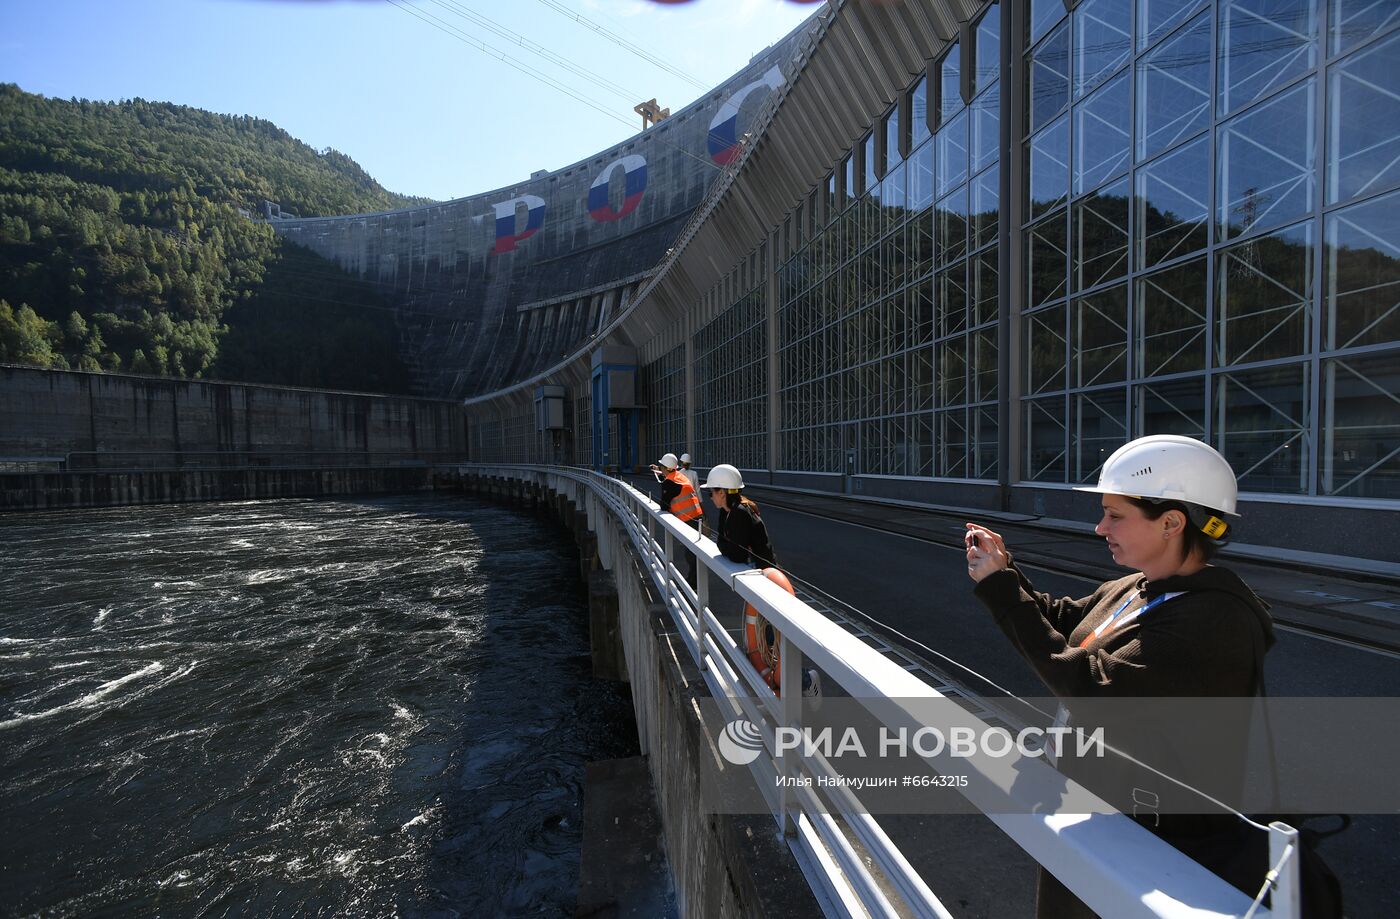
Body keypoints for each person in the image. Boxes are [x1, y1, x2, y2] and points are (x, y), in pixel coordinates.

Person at [965, 435, 1276, 918]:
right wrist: (1006, 571)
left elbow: (1092, 686)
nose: (1099, 527)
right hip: (1098, 818)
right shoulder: (1137, 587)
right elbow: (1065, 621)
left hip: (1153, 848)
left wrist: (1002, 590)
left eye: (1116, 515)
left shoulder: (1215, 620)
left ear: (1172, 522)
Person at [703, 463, 819, 698]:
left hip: (768, 583)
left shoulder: (739, 514)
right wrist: (726, 545)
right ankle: (780, 690)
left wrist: (726, 545)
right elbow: (722, 544)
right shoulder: (729, 512)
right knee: (765, 642)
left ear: (723, 492)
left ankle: (805, 681)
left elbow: (732, 551)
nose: (710, 496)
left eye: (711, 492)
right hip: (758, 578)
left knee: (772, 640)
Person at [650, 452, 703, 586]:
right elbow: (671, 477)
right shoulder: (679, 476)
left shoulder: (669, 483)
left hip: (688, 520)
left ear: (665, 468)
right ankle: (693, 582)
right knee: (693, 553)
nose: (660, 468)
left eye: (661, 466)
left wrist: (662, 479)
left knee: (691, 555)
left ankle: (694, 584)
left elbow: (664, 505)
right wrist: (658, 470)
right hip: (696, 517)